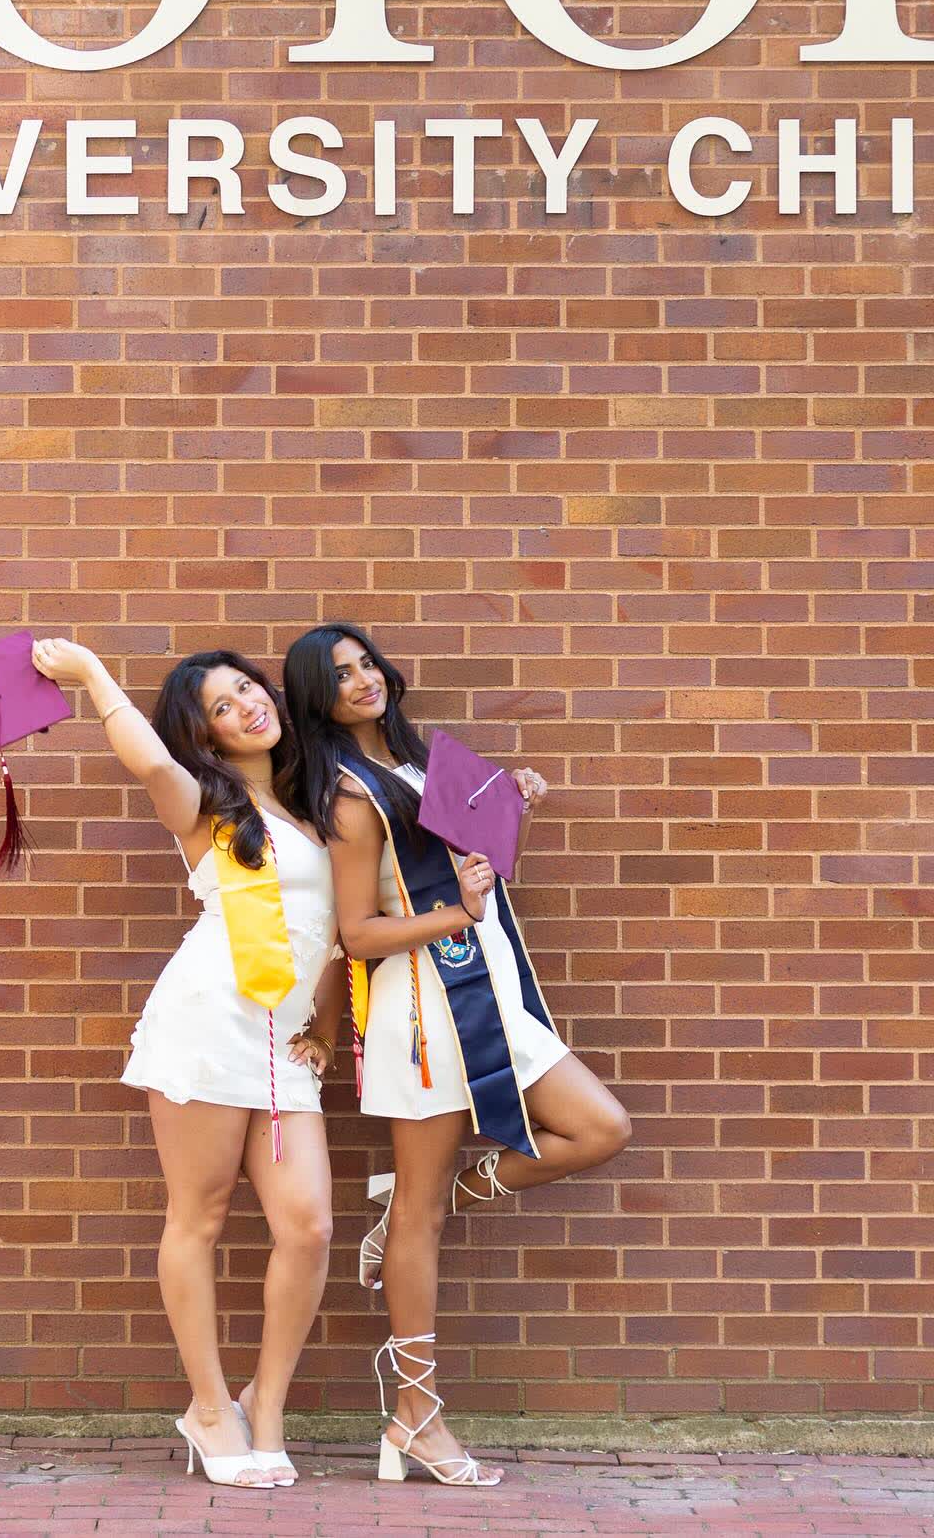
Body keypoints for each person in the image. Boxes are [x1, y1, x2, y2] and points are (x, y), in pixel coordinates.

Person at [281, 622, 631, 1490]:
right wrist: (457, 914)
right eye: (339, 675)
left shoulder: (423, 764)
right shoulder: (350, 797)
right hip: (423, 1013)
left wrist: (512, 808)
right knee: (422, 1222)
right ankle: (416, 1417)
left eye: (366, 663)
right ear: (318, 699)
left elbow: (480, 869)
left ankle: (418, 1199)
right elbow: (359, 932)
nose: (362, 680)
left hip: (493, 992)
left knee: (600, 1129)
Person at [31, 638, 345, 1490]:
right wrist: (92, 675)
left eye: (248, 688)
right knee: (197, 1220)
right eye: (221, 706)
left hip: (283, 1048)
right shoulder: (206, 807)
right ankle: (210, 1408)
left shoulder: (313, 805)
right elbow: (146, 760)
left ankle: (266, 1403)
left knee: (308, 1227)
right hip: (208, 1027)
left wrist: (323, 1023)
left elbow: (335, 935)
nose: (247, 705)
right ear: (205, 736)